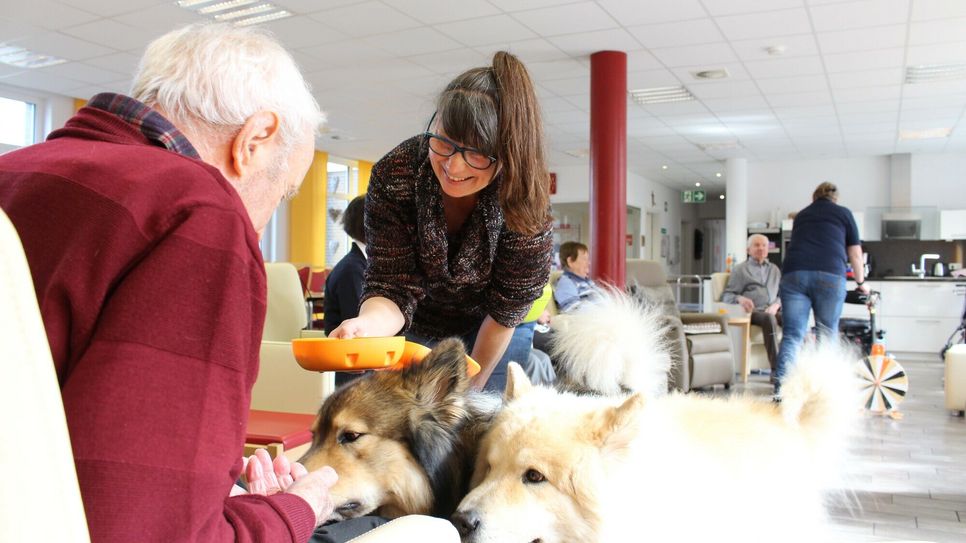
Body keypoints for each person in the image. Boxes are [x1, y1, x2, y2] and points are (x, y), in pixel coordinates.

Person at [0, 23, 455, 543]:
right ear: (254, 140)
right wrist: (290, 510)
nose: (257, 231)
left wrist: (230, 500)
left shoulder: (13, 173)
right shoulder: (198, 215)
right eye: (281, 193)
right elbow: (153, 531)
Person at [329, 51, 553, 393]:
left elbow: (503, 311)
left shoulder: (524, 202)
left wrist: (470, 390)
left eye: (477, 153)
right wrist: (366, 325)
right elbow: (392, 284)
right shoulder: (399, 172)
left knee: (477, 422)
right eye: (444, 141)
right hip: (420, 319)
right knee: (414, 420)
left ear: (505, 154)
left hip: (494, 326)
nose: (454, 166)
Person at [775, 182, 868, 395]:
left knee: (792, 336)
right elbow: (855, 254)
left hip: (794, 274)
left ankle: (781, 393)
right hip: (829, 275)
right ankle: (823, 394)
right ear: (835, 198)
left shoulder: (801, 216)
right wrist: (861, 284)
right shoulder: (843, 213)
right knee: (826, 334)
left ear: (814, 197)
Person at [323, 195, 369, 386]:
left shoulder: (361, 264)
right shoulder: (352, 269)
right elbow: (358, 322)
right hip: (354, 375)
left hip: (362, 367)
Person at [722, 234, 782, 376]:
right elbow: (727, 295)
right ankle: (776, 369)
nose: (761, 248)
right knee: (769, 319)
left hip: (773, 310)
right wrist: (741, 299)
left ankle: (792, 364)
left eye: (764, 245)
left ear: (768, 249)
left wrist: (776, 305)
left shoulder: (775, 269)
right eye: (756, 245)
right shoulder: (740, 269)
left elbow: (782, 295)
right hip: (754, 313)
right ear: (748, 250)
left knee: (794, 319)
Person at [553, 241, 603, 313]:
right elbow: (574, 311)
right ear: (570, 261)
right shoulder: (566, 283)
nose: (588, 263)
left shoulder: (588, 281)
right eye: (584, 259)